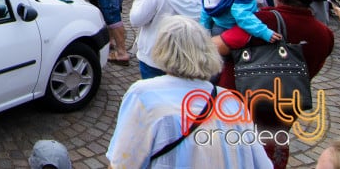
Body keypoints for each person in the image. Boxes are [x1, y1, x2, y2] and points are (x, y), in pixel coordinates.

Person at [106, 15, 272, 168]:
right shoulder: (231, 101)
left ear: (162, 50)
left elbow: (122, 162)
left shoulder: (144, 95)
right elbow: (262, 164)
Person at [212, 0, 335, 169]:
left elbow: (220, 45)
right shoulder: (324, 33)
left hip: (241, 110)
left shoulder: (263, 21)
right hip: (282, 114)